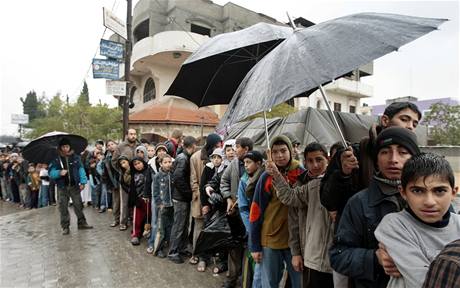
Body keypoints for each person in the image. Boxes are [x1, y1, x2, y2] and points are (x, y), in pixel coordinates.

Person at [329, 127, 421, 288]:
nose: (393, 159)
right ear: (376, 159)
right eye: (385, 152)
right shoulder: (359, 203)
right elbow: (338, 256)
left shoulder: (431, 199)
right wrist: (374, 258)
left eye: (402, 152)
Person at [320, 102, 422, 223]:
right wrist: (343, 174)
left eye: (415, 124)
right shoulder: (351, 154)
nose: (410, 126)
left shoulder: (416, 161)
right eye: (404, 119)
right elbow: (328, 200)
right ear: (385, 120)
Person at [374, 153, 460, 288]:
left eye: (439, 191)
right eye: (418, 191)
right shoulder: (395, 225)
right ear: (403, 193)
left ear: (453, 193)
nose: (429, 202)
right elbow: (422, 282)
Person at [269, 142, 333, 288]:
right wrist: (296, 253)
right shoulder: (301, 183)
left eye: (319, 160)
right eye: (310, 161)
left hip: (331, 253)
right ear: (305, 162)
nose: (315, 165)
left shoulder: (336, 181)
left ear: (327, 160)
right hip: (307, 251)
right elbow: (293, 221)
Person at [249, 135, 305, 288]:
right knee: (270, 283)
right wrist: (255, 246)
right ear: (270, 154)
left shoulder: (301, 173)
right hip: (271, 239)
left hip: (297, 241)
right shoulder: (266, 176)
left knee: (299, 282)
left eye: (283, 150)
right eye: (275, 152)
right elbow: (256, 210)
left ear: (291, 151)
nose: (280, 155)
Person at [220, 137, 254, 288]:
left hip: (251, 215)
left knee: (249, 248)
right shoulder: (233, 164)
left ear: (246, 149)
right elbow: (224, 182)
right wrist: (228, 198)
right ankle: (231, 278)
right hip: (234, 213)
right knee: (234, 246)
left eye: (238, 147)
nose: (234, 150)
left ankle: (247, 282)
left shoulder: (260, 166)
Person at [190, 133, 223, 271]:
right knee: (200, 228)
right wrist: (203, 202)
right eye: (216, 145)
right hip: (201, 200)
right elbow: (195, 181)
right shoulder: (196, 157)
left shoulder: (224, 164)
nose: (218, 148)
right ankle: (197, 254)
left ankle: (211, 255)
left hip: (216, 204)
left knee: (212, 230)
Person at [48, 138, 93, 235]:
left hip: (74, 186)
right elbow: (51, 173)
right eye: (63, 147)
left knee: (78, 205)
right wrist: (59, 172)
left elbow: (81, 169)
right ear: (60, 148)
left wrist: (83, 181)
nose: (65, 149)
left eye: (67, 146)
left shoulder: (76, 157)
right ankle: (65, 226)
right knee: (63, 207)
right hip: (62, 187)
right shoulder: (56, 159)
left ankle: (82, 223)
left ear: (69, 147)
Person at [237, 150, 264, 288]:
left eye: (249, 162)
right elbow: (243, 208)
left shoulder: (266, 178)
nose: (246, 166)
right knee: (251, 259)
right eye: (244, 163)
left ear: (258, 163)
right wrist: (251, 228)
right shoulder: (243, 181)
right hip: (251, 227)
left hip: (266, 226)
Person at [168, 136, 197, 264]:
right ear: (193, 145)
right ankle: (173, 252)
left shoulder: (184, 156)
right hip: (180, 198)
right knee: (179, 225)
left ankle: (182, 248)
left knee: (184, 225)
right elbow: (178, 178)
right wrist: (188, 193)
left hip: (182, 197)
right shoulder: (183, 158)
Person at [112, 128, 141, 231]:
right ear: (127, 135)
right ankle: (123, 222)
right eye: (131, 134)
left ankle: (135, 221)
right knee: (124, 202)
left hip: (137, 178)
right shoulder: (121, 146)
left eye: (135, 134)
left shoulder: (139, 146)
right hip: (124, 179)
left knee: (136, 200)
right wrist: (122, 170)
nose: (133, 136)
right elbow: (114, 161)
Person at [146, 154, 174, 257]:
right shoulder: (158, 176)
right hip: (163, 206)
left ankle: (169, 246)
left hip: (172, 205)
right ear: (160, 164)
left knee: (170, 227)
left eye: (169, 162)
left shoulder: (172, 174)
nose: (168, 164)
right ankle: (158, 249)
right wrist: (159, 203)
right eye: (165, 162)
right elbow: (155, 192)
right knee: (160, 228)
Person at [129, 157, 150, 246]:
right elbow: (132, 188)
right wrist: (135, 200)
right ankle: (136, 235)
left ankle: (149, 233)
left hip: (149, 199)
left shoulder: (149, 172)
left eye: (139, 163)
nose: (138, 165)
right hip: (138, 199)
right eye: (135, 164)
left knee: (150, 217)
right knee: (137, 218)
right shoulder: (133, 174)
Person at [104, 140, 120, 226]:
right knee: (116, 202)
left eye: (112, 144)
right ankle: (116, 219)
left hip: (123, 181)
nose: (111, 146)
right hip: (114, 182)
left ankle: (125, 219)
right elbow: (106, 172)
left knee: (125, 203)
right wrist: (109, 184)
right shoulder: (107, 158)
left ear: (116, 145)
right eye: (109, 145)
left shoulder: (121, 154)